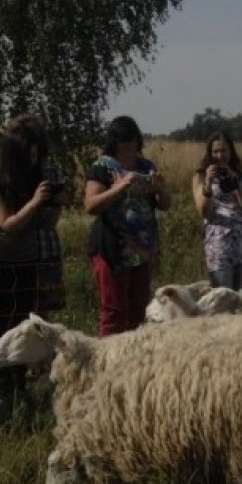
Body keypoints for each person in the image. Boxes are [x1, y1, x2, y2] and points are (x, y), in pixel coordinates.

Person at [0, 114, 64, 411]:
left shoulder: (35, 178)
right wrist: (35, 202)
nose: (35, 155)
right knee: (0, 322)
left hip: (27, 258)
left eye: (38, 150)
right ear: (15, 151)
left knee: (22, 324)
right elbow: (7, 224)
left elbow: (46, 226)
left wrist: (56, 202)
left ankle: (20, 384)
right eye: (30, 150)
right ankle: (2, 386)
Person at [84, 115, 172, 336]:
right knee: (114, 311)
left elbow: (166, 204)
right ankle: (109, 361)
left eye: (132, 146)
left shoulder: (147, 166)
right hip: (113, 250)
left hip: (142, 251)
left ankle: (134, 360)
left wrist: (159, 189)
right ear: (114, 145)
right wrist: (120, 187)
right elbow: (90, 205)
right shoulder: (102, 167)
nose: (128, 153)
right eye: (123, 147)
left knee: (138, 310)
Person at [192, 131, 242, 292]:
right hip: (219, 245)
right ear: (209, 153)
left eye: (224, 151)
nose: (220, 155)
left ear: (231, 152)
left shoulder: (240, 175)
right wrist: (208, 185)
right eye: (215, 151)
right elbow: (203, 211)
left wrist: (235, 182)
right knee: (222, 297)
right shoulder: (200, 176)